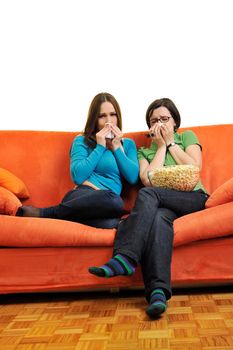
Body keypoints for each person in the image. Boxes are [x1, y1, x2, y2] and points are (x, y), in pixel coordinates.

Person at [88, 97, 209, 318]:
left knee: (147, 195)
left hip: (193, 198)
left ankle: (125, 257)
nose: (160, 124)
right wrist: (161, 146)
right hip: (164, 204)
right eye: (154, 121)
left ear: (175, 121)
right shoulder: (145, 152)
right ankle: (158, 293)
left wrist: (171, 143)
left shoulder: (187, 137)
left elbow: (195, 166)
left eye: (165, 119)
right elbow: (148, 179)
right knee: (158, 221)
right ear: (149, 127)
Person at [16, 92, 139, 229]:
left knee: (112, 220)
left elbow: (133, 177)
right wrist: (100, 147)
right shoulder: (82, 140)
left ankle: (53, 214)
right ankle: (46, 213)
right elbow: (78, 177)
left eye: (112, 114)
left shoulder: (127, 144)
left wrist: (116, 147)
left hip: (105, 204)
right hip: (82, 196)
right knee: (116, 202)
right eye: (102, 116)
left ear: (118, 117)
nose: (108, 121)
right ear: (94, 119)